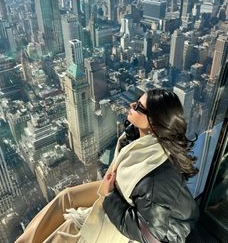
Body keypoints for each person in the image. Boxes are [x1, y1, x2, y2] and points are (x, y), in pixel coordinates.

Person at [16, 88, 199, 243]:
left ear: (153, 122)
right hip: (127, 194)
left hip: (147, 224)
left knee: (72, 228)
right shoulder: (140, 138)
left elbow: (149, 234)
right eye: (135, 102)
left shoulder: (155, 179)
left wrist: (109, 196)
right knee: (66, 197)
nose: (131, 105)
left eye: (138, 107)